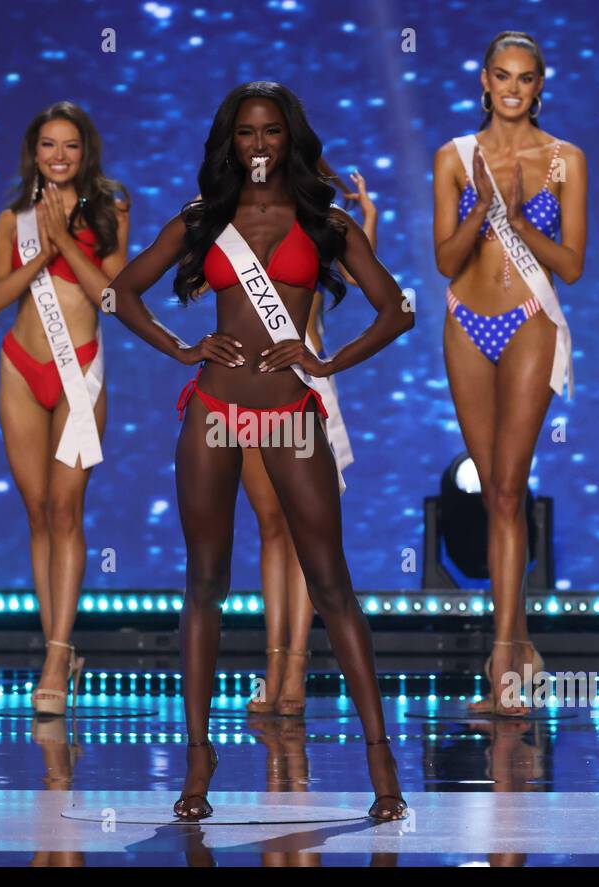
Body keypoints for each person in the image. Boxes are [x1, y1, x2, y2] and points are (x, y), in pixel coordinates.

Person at [108, 81, 411, 820]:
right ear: (230, 143)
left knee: (331, 582)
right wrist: (182, 346)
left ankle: (381, 762)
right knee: (205, 581)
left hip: (287, 413)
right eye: (245, 133)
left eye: (271, 132)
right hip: (213, 409)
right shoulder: (203, 221)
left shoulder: (327, 222)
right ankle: (198, 754)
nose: (259, 145)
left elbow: (397, 307)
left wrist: (328, 364)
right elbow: (121, 292)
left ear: (290, 139)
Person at [432, 31, 586, 715]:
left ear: (539, 86)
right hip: (466, 316)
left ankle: (503, 670)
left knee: (507, 488)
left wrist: (519, 219)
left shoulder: (565, 160)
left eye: (526, 78)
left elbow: (574, 264)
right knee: (489, 484)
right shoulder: (454, 158)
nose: (514, 88)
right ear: (485, 82)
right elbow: (445, 258)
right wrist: (487, 203)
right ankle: (516, 644)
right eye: (503, 76)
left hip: (529, 318)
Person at [0, 102, 129, 715]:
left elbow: (114, 296)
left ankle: (56, 655)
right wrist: (40, 252)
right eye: (48, 145)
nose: (59, 156)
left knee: (67, 510)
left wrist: (65, 238)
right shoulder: (11, 219)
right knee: (39, 513)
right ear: (33, 152)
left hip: (80, 370)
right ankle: (57, 648)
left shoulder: (111, 209)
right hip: (21, 366)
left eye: (70, 145)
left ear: (85, 151)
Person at [244, 160, 376, 717]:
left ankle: (295, 668)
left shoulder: (323, 223)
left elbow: (364, 286)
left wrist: (366, 224)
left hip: (300, 383)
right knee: (270, 529)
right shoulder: (233, 222)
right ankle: (274, 663)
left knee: (302, 531)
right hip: (242, 385)